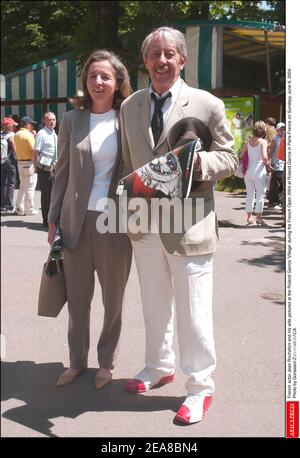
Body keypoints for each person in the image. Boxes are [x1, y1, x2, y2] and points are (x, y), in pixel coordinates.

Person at [120, 26, 237, 424]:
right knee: (153, 306)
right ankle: (158, 366)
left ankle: (200, 386)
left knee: (193, 311)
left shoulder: (206, 104)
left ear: (183, 60)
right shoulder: (129, 107)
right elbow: (128, 164)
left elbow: (230, 158)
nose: (162, 60)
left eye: (170, 54)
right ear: (146, 61)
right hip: (143, 223)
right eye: (155, 54)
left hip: (189, 224)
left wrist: (198, 165)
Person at [47, 50, 132, 389]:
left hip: (114, 222)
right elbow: (61, 172)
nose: (98, 82)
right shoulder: (71, 120)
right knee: (78, 300)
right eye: (93, 76)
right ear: (86, 82)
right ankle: (76, 361)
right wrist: (53, 219)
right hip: (75, 222)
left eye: (105, 76)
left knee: (113, 300)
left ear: (117, 82)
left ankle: (106, 361)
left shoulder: (127, 118)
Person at [240, 121, 269, 225]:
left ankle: (249, 218)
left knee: (249, 195)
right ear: (263, 130)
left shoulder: (248, 141)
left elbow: (242, 155)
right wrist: (268, 164)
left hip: (248, 171)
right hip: (259, 170)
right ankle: (259, 218)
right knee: (260, 195)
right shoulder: (263, 141)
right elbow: (265, 157)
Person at [32, 112, 58, 227]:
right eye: (49, 120)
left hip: (53, 168)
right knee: (47, 194)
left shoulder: (53, 133)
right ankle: (46, 220)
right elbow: (35, 152)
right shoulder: (42, 134)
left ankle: (51, 218)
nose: (52, 122)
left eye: (53, 119)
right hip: (44, 168)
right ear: (44, 121)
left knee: (53, 194)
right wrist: (36, 167)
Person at [14, 116, 39, 216]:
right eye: (31, 124)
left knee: (22, 187)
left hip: (20, 163)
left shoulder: (16, 134)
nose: (32, 126)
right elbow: (34, 150)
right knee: (30, 187)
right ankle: (29, 209)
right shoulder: (28, 135)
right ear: (27, 124)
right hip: (29, 163)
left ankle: (19, 208)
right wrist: (36, 164)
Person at [1, 117, 18, 212]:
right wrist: (17, 157)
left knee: (3, 183)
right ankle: (9, 206)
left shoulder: (1, 134)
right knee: (11, 183)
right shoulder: (11, 135)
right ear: (8, 125)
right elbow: (14, 146)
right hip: (10, 161)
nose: (13, 126)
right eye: (12, 125)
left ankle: (2, 205)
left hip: (1, 161)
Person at [267, 122, 285, 209]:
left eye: (284, 129)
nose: (283, 131)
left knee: (282, 184)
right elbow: (270, 152)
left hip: (284, 165)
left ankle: (280, 202)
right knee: (276, 184)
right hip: (276, 165)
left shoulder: (285, 139)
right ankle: (273, 203)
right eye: (281, 129)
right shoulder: (275, 139)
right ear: (277, 130)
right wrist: (269, 163)